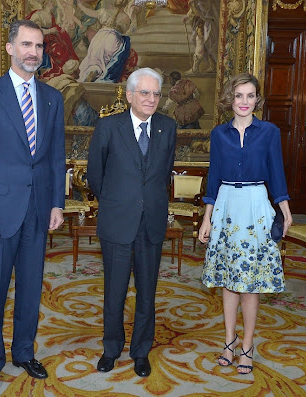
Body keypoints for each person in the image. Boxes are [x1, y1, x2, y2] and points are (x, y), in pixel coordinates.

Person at [0, 20, 65, 393]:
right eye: (25, 44)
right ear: (9, 48)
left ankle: (24, 352)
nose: (32, 52)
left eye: (38, 46)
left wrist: (57, 203)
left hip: (38, 211)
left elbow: (55, 157)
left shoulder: (54, 98)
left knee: (31, 289)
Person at [197, 72, 293, 374]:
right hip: (226, 206)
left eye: (250, 96)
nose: (244, 102)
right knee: (228, 281)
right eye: (239, 95)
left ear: (257, 100)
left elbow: (276, 173)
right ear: (230, 99)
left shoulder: (269, 132)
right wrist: (207, 217)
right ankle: (229, 341)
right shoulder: (218, 134)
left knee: (250, 284)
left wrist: (285, 210)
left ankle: (248, 346)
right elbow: (212, 178)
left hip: (255, 206)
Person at [87, 67, 177, 377]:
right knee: (114, 292)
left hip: (150, 223)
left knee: (147, 293)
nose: (151, 99)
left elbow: (164, 174)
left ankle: (141, 352)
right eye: (145, 93)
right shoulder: (108, 127)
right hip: (117, 222)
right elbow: (95, 176)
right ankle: (111, 349)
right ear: (129, 96)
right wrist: (118, 200)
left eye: (156, 94)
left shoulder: (168, 127)